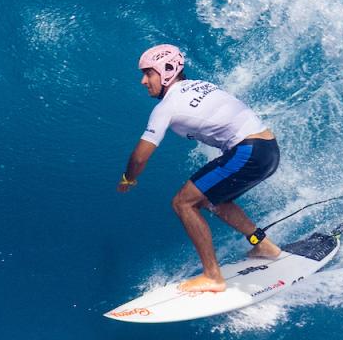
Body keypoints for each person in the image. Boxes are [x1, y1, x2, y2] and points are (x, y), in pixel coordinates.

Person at [117, 43, 283, 293]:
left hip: (247, 150)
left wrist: (128, 179)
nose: (143, 81)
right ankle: (263, 245)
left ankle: (213, 276)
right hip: (268, 150)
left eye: (148, 73)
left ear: (167, 71)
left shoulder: (167, 106)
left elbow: (140, 157)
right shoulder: (203, 85)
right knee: (213, 199)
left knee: (183, 203)